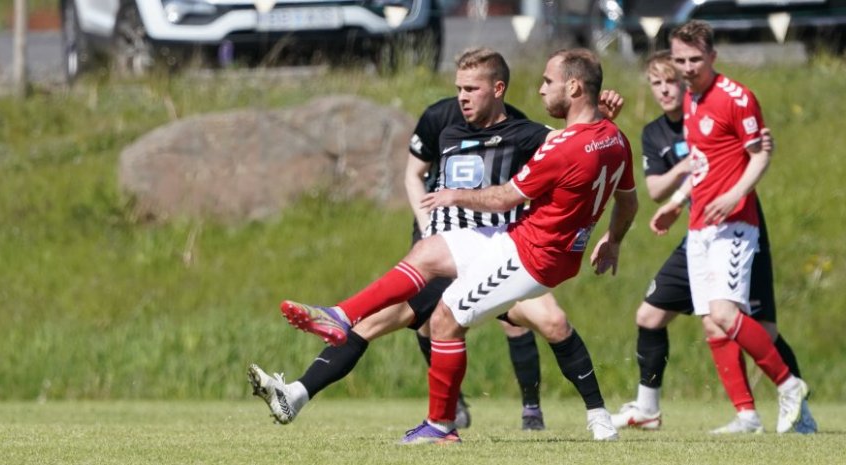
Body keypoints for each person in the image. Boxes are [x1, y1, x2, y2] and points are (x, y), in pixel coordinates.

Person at [249, 48, 626, 433]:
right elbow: (414, 174)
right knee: (372, 321)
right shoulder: (439, 119)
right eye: (459, 87)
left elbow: (576, 146)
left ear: (497, 89)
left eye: (472, 89)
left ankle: (585, 415)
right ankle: (297, 393)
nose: (462, 97)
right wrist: (427, 225)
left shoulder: (527, 132)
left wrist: (600, 114)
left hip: (502, 251)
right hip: (448, 249)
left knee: (553, 322)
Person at [612, 51, 817, 434]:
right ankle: (663, 410)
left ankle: (797, 405)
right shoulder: (656, 132)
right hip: (698, 232)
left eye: (671, 80)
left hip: (737, 225)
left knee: (759, 330)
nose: (665, 90)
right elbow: (655, 189)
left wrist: (761, 144)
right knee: (661, 317)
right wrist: (680, 183)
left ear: (687, 80)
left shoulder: (713, 108)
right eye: (656, 83)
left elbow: (751, 149)